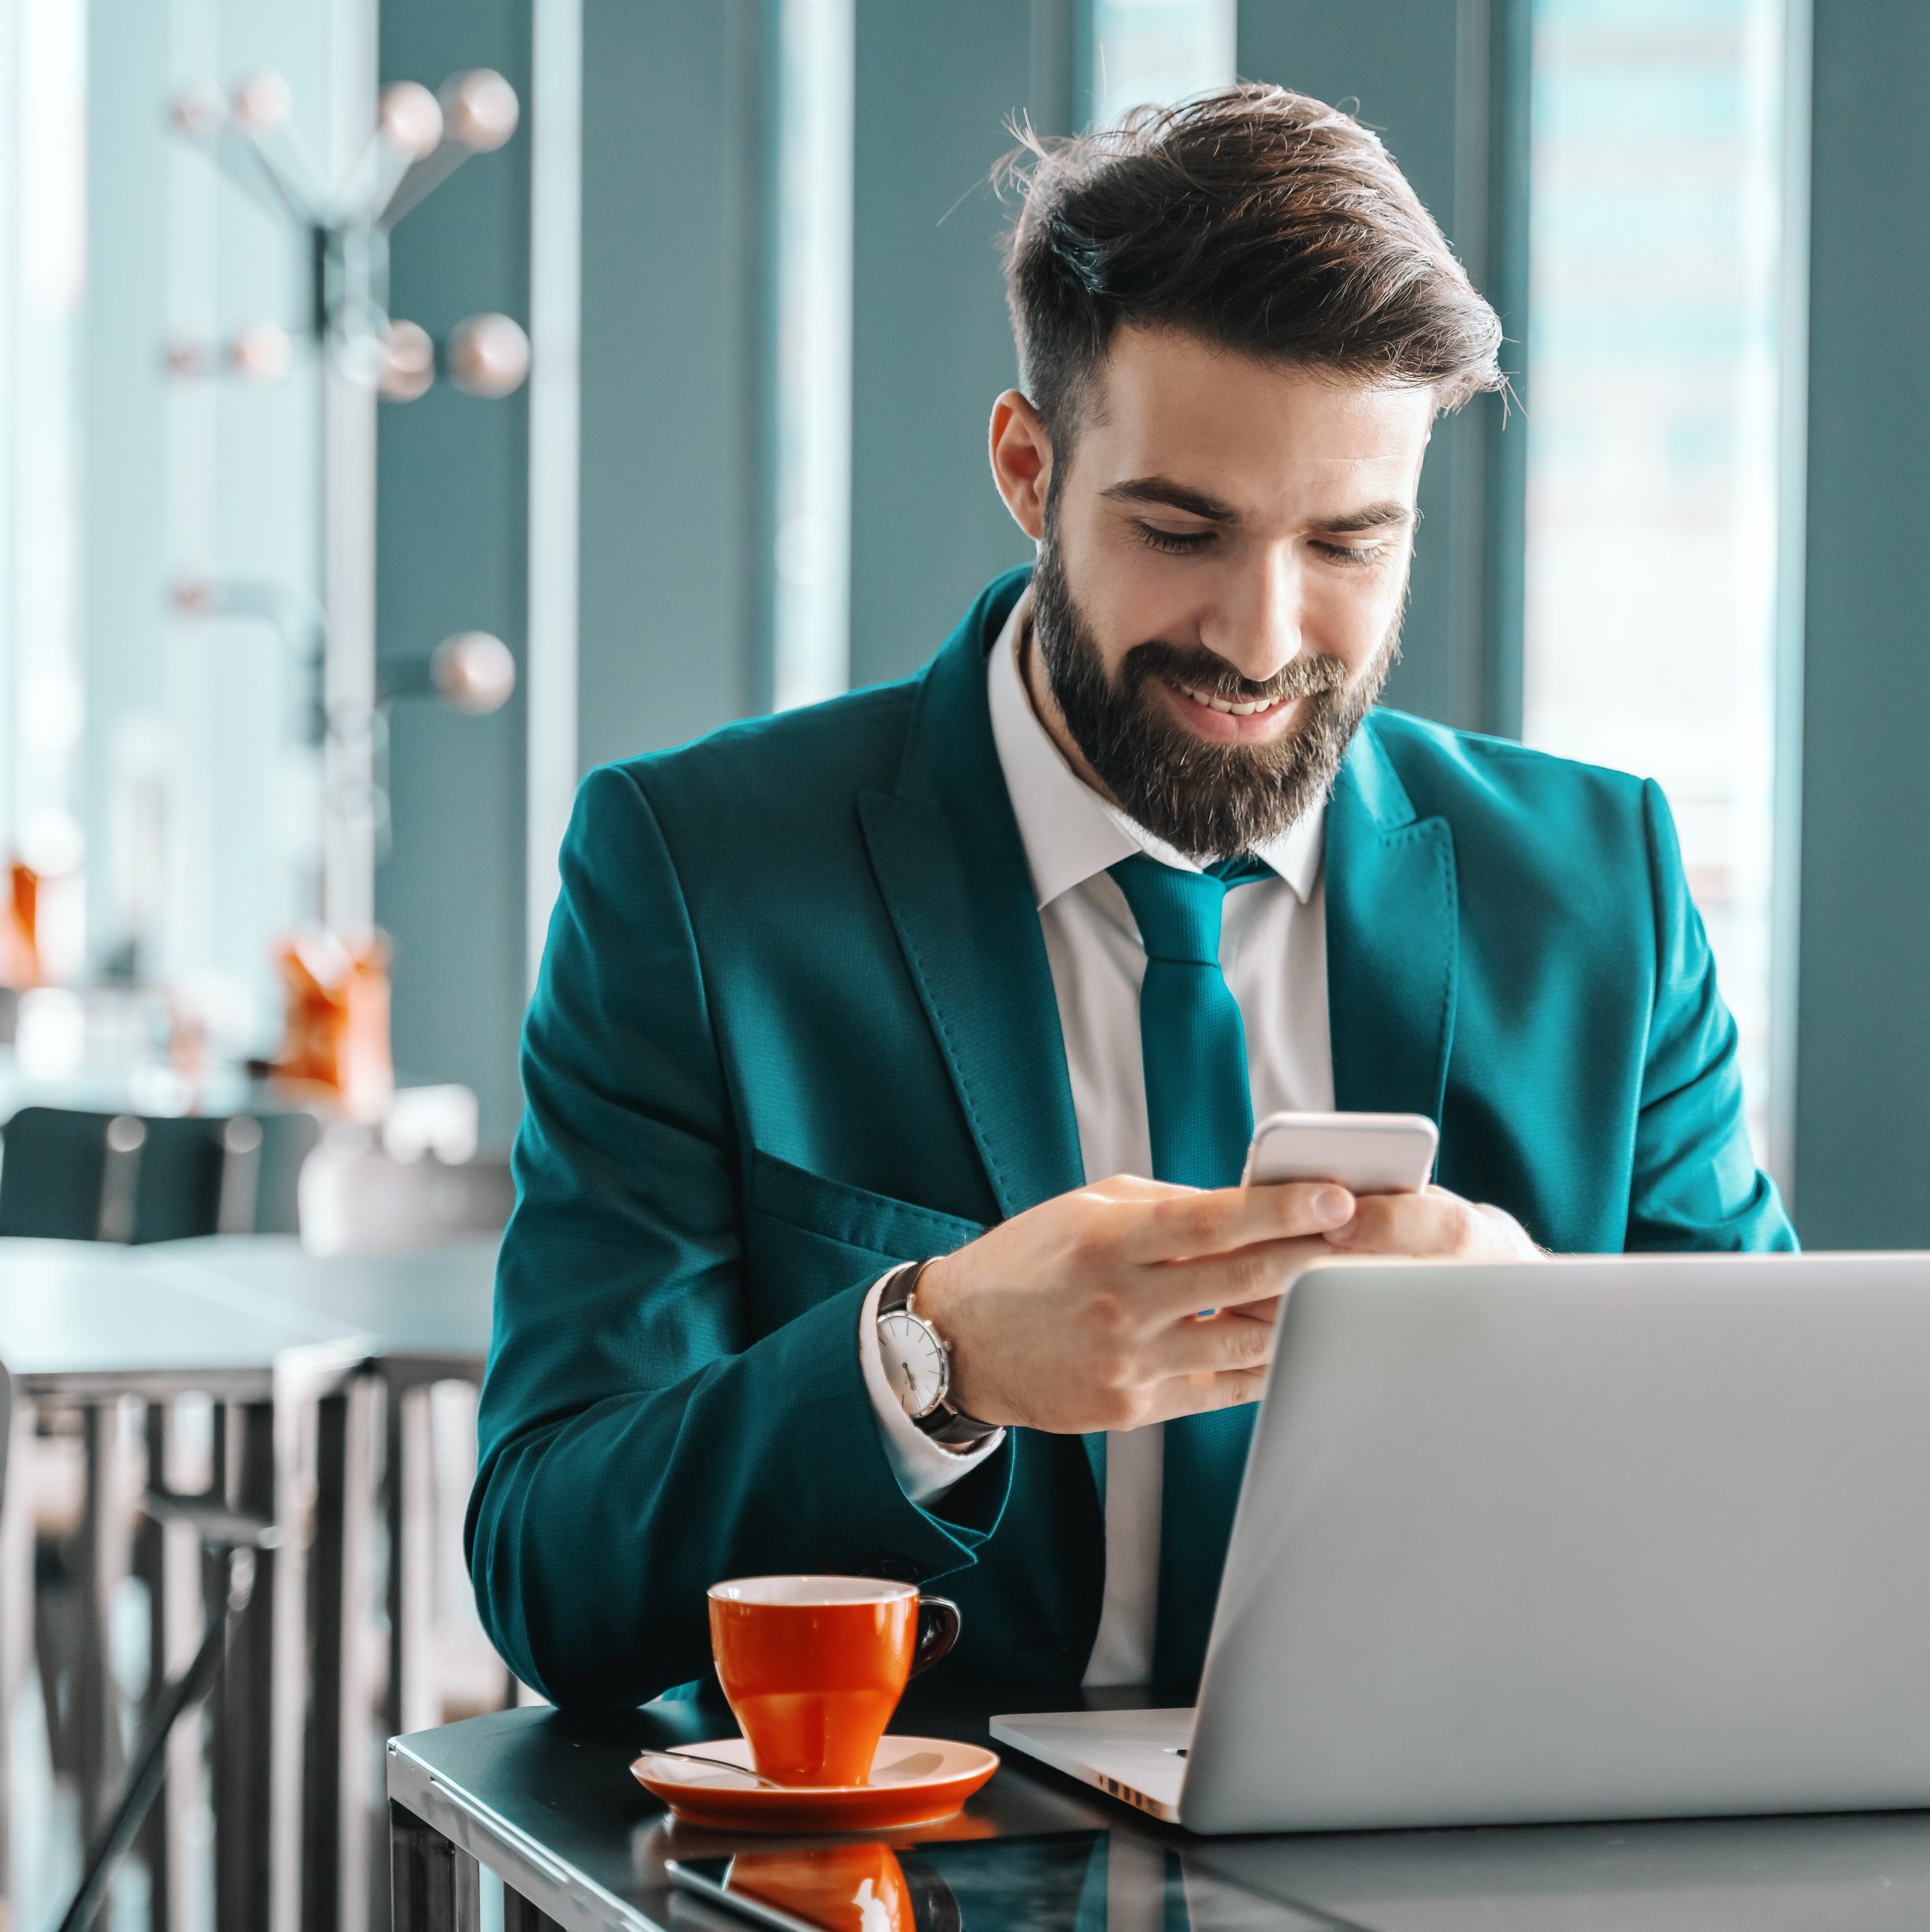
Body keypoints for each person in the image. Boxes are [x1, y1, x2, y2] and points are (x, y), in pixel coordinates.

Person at [469, 84, 1794, 1711]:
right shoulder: (700, 875)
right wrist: (928, 1359)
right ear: (1030, 471)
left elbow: (1778, 1488)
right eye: (1182, 529)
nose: (1259, 633)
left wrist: (1535, 1343)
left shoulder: (1598, 889)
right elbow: (554, 1572)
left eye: (1348, 542)